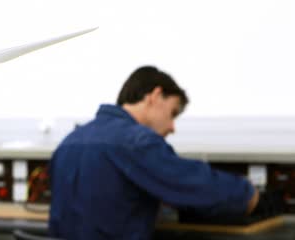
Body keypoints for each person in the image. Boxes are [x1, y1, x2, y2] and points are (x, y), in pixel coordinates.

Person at [48, 66, 259, 240]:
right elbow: (191, 183)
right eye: (173, 113)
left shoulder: (70, 141)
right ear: (155, 96)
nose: (172, 126)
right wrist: (247, 195)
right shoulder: (136, 141)